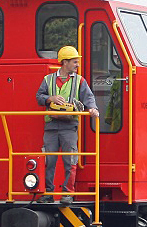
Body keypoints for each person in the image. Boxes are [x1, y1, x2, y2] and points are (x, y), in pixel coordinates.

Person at [35, 46, 99, 204]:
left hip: (69, 127)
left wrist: (92, 108)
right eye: (74, 62)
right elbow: (39, 97)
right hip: (51, 127)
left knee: (70, 161)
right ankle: (47, 194)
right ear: (65, 62)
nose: (77, 65)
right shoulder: (48, 79)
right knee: (48, 161)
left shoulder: (79, 80)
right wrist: (51, 99)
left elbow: (88, 98)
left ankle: (67, 194)